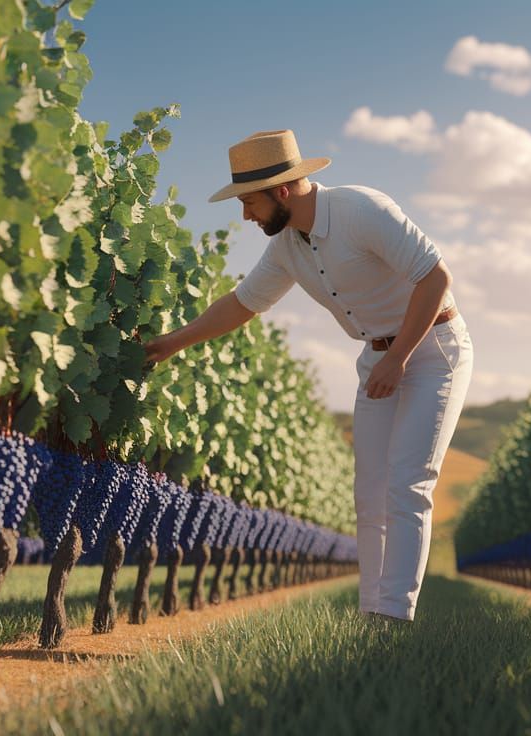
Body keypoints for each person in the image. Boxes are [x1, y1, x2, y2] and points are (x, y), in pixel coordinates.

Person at [143, 129, 473, 622]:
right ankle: (371, 615)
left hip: (432, 351)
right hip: (379, 357)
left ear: (282, 191)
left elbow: (436, 277)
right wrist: (168, 345)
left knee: (408, 484)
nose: (245, 215)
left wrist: (397, 357)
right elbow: (241, 305)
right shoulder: (287, 248)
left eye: (249, 202)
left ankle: (394, 617)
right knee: (369, 494)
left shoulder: (362, 210)